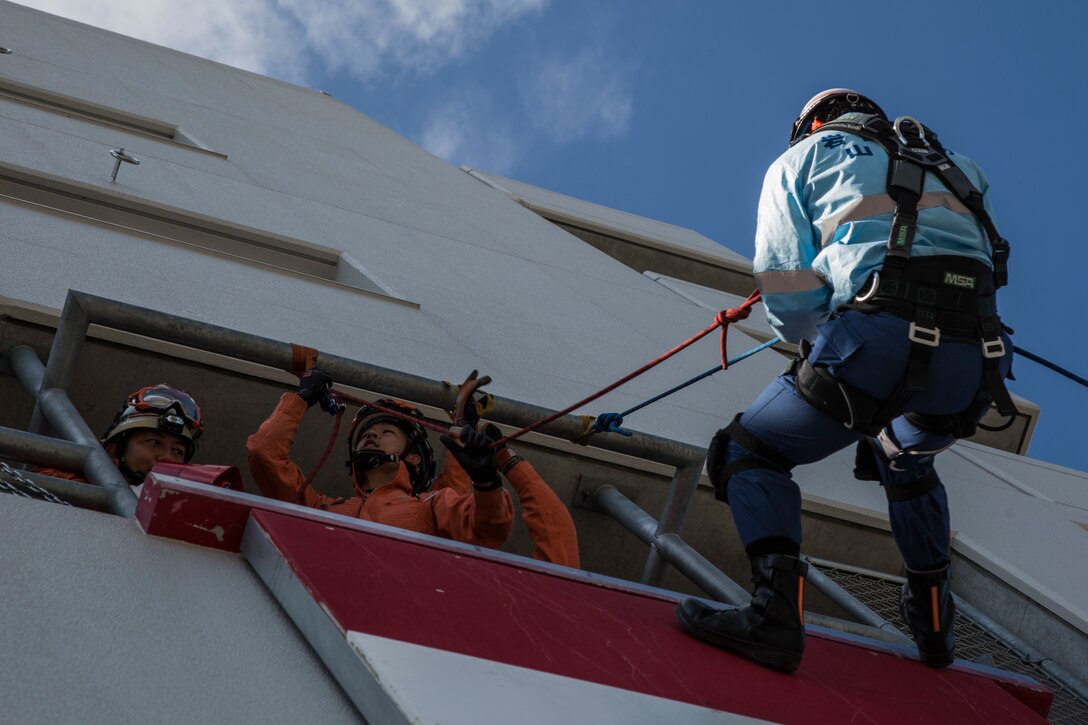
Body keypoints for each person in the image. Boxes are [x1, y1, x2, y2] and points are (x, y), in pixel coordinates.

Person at [676, 89, 1015, 673]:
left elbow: (787, 287)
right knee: (903, 456)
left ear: (811, 124)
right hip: (978, 360)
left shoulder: (801, 158)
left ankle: (773, 616)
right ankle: (934, 626)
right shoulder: (958, 165)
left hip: (879, 338)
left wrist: (818, 346)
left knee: (746, 451)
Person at [246, 367, 514, 548]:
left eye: (386, 432)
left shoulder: (430, 505)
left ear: (413, 458)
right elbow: (264, 454)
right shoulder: (319, 508)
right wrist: (301, 398)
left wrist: (487, 483)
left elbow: (488, 529)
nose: (371, 436)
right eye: (367, 434)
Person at [36, 384, 204, 486]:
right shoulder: (59, 483)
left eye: (177, 452)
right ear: (114, 449)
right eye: (154, 442)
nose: (166, 457)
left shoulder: (186, 515)